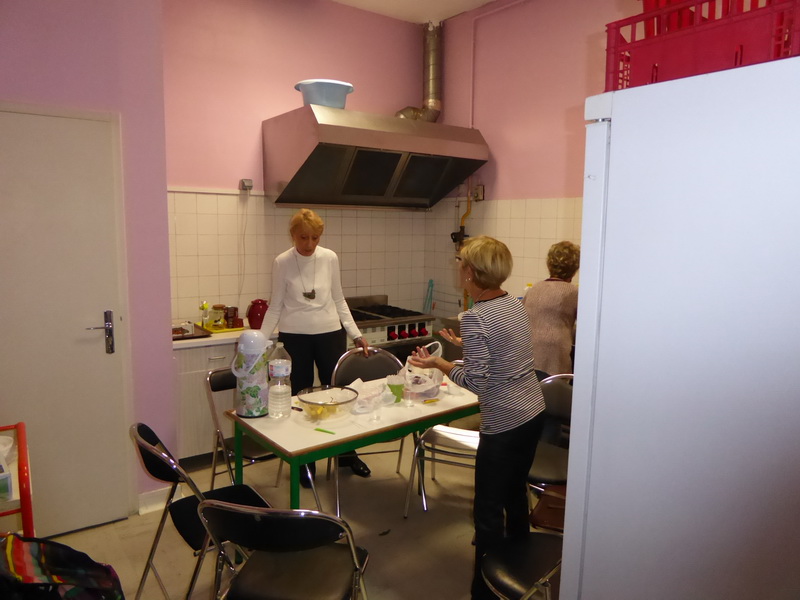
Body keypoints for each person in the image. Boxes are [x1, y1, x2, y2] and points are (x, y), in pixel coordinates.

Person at [409, 235, 546, 600]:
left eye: (461, 264)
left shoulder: (475, 316)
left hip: (503, 422)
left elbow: (477, 382)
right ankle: (521, 572)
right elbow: (505, 354)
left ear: (470, 272)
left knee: (487, 511)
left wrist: (439, 363)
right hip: (532, 411)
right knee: (515, 494)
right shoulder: (513, 303)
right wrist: (465, 347)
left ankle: (484, 592)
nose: (459, 269)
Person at [260, 208, 371, 484]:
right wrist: (260, 342)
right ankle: (304, 461)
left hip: (330, 333)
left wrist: (356, 334)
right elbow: (275, 306)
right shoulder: (282, 262)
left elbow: (339, 299)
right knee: (299, 398)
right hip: (294, 337)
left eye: (314, 238)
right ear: (293, 235)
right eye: (303, 237)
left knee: (338, 394)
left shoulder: (329, 258)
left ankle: (346, 454)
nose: (309, 244)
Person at [522, 240, 580, 376]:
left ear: (549, 264)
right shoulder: (573, 293)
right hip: (556, 354)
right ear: (575, 269)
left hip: (528, 353)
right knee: (554, 387)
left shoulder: (534, 288)